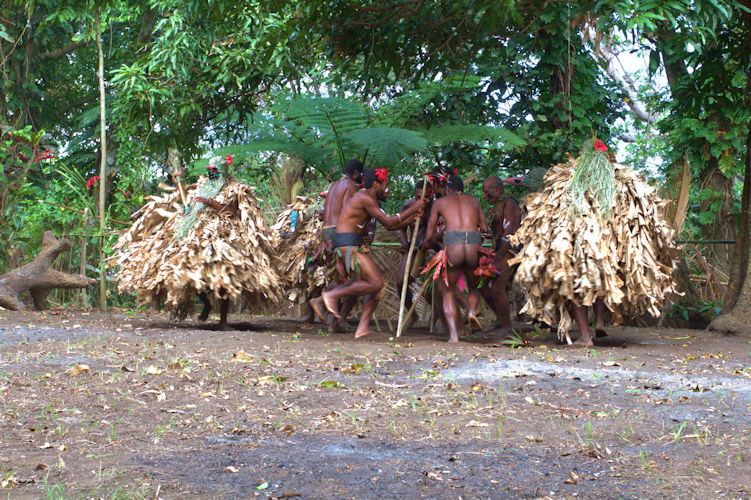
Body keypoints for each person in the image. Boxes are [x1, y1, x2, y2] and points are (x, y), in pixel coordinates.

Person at [322, 168, 425, 338]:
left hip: (349, 244)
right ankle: (332, 295)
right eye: (386, 184)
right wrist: (414, 209)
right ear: (376, 184)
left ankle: (362, 327)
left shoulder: (367, 198)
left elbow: (390, 226)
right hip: (347, 245)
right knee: (376, 283)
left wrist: (412, 219)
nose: (388, 188)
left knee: (376, 286)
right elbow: (389, 220)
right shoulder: (365, 197)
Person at [422, 175, 489, 342]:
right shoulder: (474, 201)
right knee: (474, 288)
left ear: (447, 189)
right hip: (473, 244)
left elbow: (429, 235)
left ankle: (453, 336)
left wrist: (439, 249)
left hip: (453, 244)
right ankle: (472, 311)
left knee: (448, 291)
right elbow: (485, 229)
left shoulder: (440, 203)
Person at [309, 159, 364, 331]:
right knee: (354, 278)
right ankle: (321, 301)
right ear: (356, 173)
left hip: (326, 234)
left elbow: (324, 212)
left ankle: (335, 322)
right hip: (340, 234)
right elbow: (348, 211)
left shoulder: (334, 186)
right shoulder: (350, 186)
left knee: (341, 276)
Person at [481, 176, 522, 332]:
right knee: (483, 284)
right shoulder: (499, 205)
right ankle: (500, 317)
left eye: (487, 192)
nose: (485, 196)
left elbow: (510, 232)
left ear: (497, 189)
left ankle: (507, 326)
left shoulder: (509, 204)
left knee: (498, 287)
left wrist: (498, 258)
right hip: (500, 249)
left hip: (510, 250)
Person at [395, 180, 433, 329]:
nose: (421, 200)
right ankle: (412, 314)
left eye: (424, 197)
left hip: (430, 249)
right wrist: (404, 242)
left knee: (430, 287)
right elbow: (400, 228)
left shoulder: (435, 207)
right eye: (418, 197)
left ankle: (435, 315)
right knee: (401, 282)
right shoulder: (408, 206)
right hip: (412, 248)